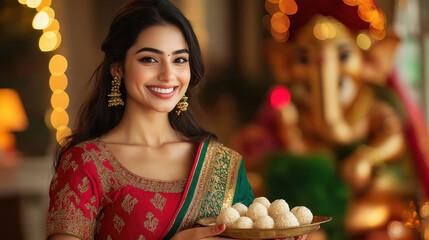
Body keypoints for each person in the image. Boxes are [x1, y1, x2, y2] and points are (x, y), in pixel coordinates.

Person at [45, 0, 310, 239]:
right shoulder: (86, 164)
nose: (168, 74)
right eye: (149, 59)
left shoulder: (222, 164)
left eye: (179, 60)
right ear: (118, 68)